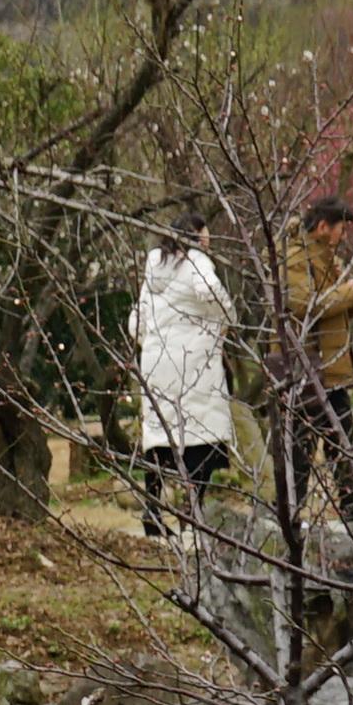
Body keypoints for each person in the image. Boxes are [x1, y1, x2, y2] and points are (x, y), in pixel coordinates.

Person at [276, 195, 353, 525]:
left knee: (331, 438)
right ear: (324, 226)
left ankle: (307, 510)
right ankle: (308, 510)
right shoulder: (295, 256)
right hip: (306, 362)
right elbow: (303, 305)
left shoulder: (325, 257)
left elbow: (335, 307)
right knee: (316, 440)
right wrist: (349, 292)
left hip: (324, 364)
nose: (343, 236)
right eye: (340, 229)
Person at [130, 217, 240, 533]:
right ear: (195, 239)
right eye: (204, 238)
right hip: (194, 366)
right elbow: (213, 293)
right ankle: (191, 514)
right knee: (200, 440)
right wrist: (223, 321)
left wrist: (152, 344)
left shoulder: (154, 265)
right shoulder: (197, 262)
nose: (207, 244)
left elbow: (137, 322)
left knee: (159, 437)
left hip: (156, 365)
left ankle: (152, 511)